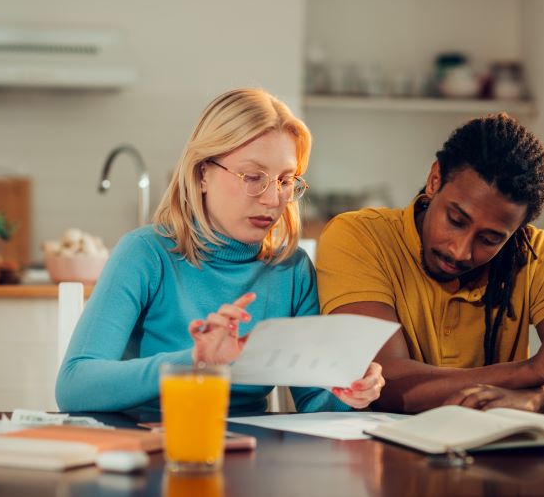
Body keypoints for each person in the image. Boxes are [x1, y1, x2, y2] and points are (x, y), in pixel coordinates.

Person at [56, 88, 384, 415]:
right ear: (202, 174)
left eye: (285, 181)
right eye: (253, 177)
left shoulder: (292, 269)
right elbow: (74, 385)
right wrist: (195, 360)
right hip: (151, 445)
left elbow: (315, 402)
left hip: (253, 453)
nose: (273, 200)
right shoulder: (145, 254)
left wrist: (351, 391)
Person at [316, 113, 544, 415]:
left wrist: (541, 399)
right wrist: (530, 371)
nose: (461, 251)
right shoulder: (358, 236)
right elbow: (388, 384)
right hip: (382, 455)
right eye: (455, 220)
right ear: (434, 179)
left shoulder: (535, 255)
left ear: (516, 232)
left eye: (490, 239)